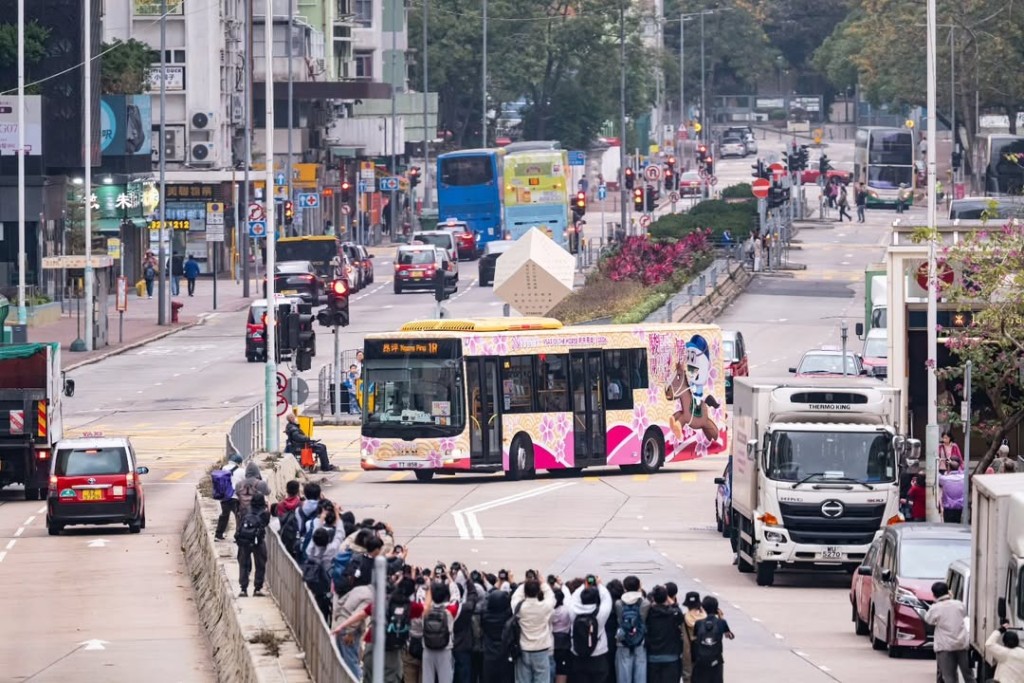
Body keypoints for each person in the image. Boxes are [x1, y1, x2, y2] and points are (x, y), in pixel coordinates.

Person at [924, 581, 975, 683]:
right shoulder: (959, 604)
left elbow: (928, 620)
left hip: (945, 648)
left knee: (949, 678)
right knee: (969, 676)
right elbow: (964, 614)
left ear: (934, 594)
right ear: (948, 591)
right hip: (961, 645)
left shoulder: (935, 608)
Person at [511, 574, 557, 683]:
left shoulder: (520, 608)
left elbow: (515, 596)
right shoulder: (544, 607)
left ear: (525, 592)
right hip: (541, 650)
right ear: (538, 592)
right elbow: (551, 596)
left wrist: (526, 584)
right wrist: (543, 583)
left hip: (524, 649)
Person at [567, 580, 613, 683]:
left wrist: (585, 584)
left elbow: (573, 598)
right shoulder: (600, 614)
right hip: (598, 656)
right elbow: (607, 599)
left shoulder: (573, 612)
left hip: (578, 656)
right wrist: (599, 584)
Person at [644, 585, 684, 683]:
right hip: (671, 657)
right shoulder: (674, 614)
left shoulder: (649, 614)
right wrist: (670, 600)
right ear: (666, 598)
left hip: (652, 657)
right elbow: (678, 611)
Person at [614, 575, 649, 683]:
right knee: (640, 675)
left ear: (624, 588)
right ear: (639, 586)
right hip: (640, 641)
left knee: (623, 676)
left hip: (623, 640)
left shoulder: (618, 604)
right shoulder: (645, 603)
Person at [691, 596, 733, 683]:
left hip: (701, 661)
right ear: (716, 608)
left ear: (703, 607)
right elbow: (729, 635)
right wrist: (721, 617)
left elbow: (695, 638)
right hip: (716, 661)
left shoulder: (698, 623)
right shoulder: (721, 623)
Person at [235, 492, 270, 597]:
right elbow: (266, 523)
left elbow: (240, 522)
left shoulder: (245, 510)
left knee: (243, 564)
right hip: (258, 541)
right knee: (260, 564)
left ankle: (243, 589)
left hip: (244, 540)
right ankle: (257, 588)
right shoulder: (264, 513)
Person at [480, 587, 515, 683]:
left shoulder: (485, 616)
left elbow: (485, 600)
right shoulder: (508, 615)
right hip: (504, 653)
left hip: (489, 654)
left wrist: (492, 589)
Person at [213, 453, 243, 541]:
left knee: (224, 515)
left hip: (225, 496)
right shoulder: (241, 471)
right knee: (239, 516)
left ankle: (218, 534)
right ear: (238, 462)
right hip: (235, 497)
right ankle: (237, 536)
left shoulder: (223, 468)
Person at [681, 591, 705, 681]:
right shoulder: (706, 620)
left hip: (689, 655)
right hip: (704, 655)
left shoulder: (683, 619)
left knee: (688, 677)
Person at [938, 457, 966, 523]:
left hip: (948, 507)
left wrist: (939, 464)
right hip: (960, 507)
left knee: (948, 526)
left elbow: (937, 476)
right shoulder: (964, 478)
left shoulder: (944, 479)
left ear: (949, 468)